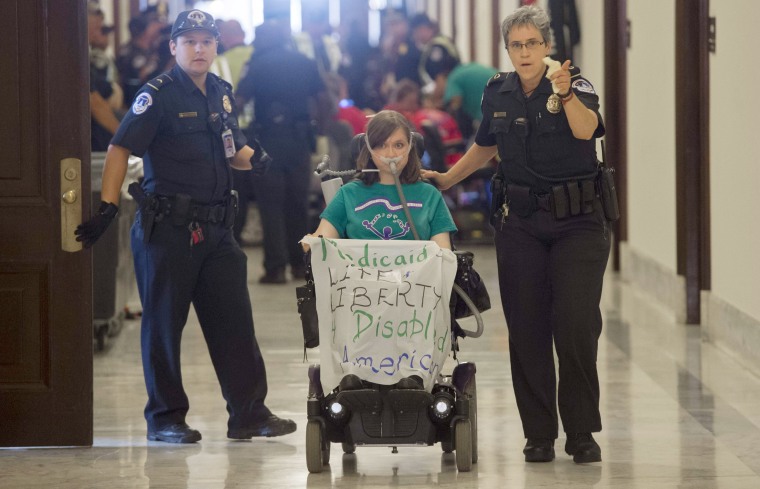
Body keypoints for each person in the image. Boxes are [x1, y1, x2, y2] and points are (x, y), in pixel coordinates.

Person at [75, 9, 296, 443]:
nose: (199, 48)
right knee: (162, 326)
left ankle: (249, 414)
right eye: (190, 41)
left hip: (217, 228)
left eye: (207, 41)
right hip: (168, 230)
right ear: (173, 47)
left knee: (235, 324)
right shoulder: (157, 94)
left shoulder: (220, 92)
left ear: (216, 48)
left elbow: (232, 147)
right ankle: (165, 419)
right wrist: (107, 207)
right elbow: (120, 148)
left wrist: (259, 159)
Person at [422, 5, 608, 464]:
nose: (524, 52)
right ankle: (539, 434)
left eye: (532, 44)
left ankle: (581, 431)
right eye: (516, 45)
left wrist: (565, 95)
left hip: (578, 223)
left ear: (547, 47)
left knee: (575, 326)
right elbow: (487, 143)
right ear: (508, 51)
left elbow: (587, 132)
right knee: (526, 329)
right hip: (521, 223)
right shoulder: (497, 92)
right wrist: (448, 178)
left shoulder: (573, 84)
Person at [307, 109, 458, 390]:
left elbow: (443, 252)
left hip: (413, 293)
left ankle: (414, 373)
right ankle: (355, 371)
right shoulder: (348, 195)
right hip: (360, 292)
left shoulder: (429, 196)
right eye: (381, 145)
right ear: (368, 149)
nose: (390, 153)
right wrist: (312, 242)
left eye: (398, 145)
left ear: (410, 148)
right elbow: (323, 237)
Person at [236, 20, 329, 284]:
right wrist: (319, 130)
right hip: (299, 139)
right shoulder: (304, 61)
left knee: (270, 205)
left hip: (267, 140)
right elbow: (323, 98)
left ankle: (275, 269)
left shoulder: (257, 65)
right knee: (297, 204)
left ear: (267, 38)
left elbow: (239, 100)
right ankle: (301, 266)